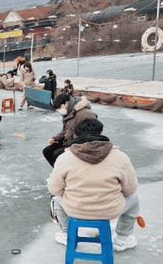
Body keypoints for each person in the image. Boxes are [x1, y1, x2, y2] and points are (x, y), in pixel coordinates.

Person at [47, 118, 140, 251]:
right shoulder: (120, 157)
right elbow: (130, 188)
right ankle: (121, 239)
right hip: (110, 210)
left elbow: (55, 189)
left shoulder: (64, 158)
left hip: (74, 209)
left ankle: (67, 235)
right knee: (134, 199)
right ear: (101, 133)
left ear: (76, 135)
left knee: (57, 199)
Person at [43, 94, 97, 167]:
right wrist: (55, 138)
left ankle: (66, 170)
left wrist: (72, 139)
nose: (59, 110)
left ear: (66, 102)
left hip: (79, 145)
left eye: (59, 107)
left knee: (57, 153)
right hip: (68, 142)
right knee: (47, 151)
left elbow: (92, 134)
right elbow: (65, 130)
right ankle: (58, 170)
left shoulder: (85, 114)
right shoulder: (68, 113)